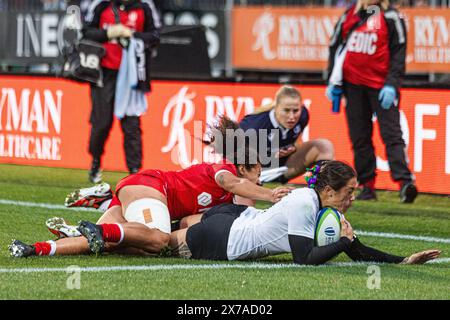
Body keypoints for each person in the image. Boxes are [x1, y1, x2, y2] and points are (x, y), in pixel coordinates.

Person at [9, 120, 292, 258]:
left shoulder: (232, 192)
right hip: (150, 188)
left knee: (116, 247)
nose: (261, 177)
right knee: (157, 240)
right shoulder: (225, 172)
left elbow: (236, 212)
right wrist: (272, 195)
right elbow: (232, 184)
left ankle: (36, 249)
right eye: (258, 170)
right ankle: (104, 209)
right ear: (243, 167)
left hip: (142, 195)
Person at [168, 160, 441, 265]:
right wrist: (342, 242)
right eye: (349, 191)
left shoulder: (328, 210)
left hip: (237, 217)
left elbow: (358, 251)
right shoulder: (304, 204)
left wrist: (404, 260)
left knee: (164, 233)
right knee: (156, 243)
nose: (353, 197)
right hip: (226, 238)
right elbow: (304, 258)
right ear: (330, 191)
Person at [326, 0, 417, 202]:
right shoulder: (349, 15)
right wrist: (332, 81)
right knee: (360, 137)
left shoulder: (392, 17)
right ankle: (367, 186)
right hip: (353, 86)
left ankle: (405, 183)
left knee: (391, 134)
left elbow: (398, 54)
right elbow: (335, 47)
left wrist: (392, 84)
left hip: (381, 86)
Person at [83, 0, 160, 183]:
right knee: (101, 123)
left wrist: (134, 37)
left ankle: (134, 171)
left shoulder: (144, 6)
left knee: (131, 124)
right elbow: (86, 33)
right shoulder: (101, 5)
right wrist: (109, 33)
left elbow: (155, 35)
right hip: (104, 72)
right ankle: (95, 161)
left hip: (132, 74)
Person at [239, 85, 334, 184]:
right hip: (256, 173)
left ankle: (317, 189)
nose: (292, 117)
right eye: (286, 110)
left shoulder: (303, 116)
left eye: (296, 111)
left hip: (283, 168)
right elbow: (231, 156)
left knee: (324, 146)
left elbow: (297, 141)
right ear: (276, 108)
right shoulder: (253, 126)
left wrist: (294, 148)